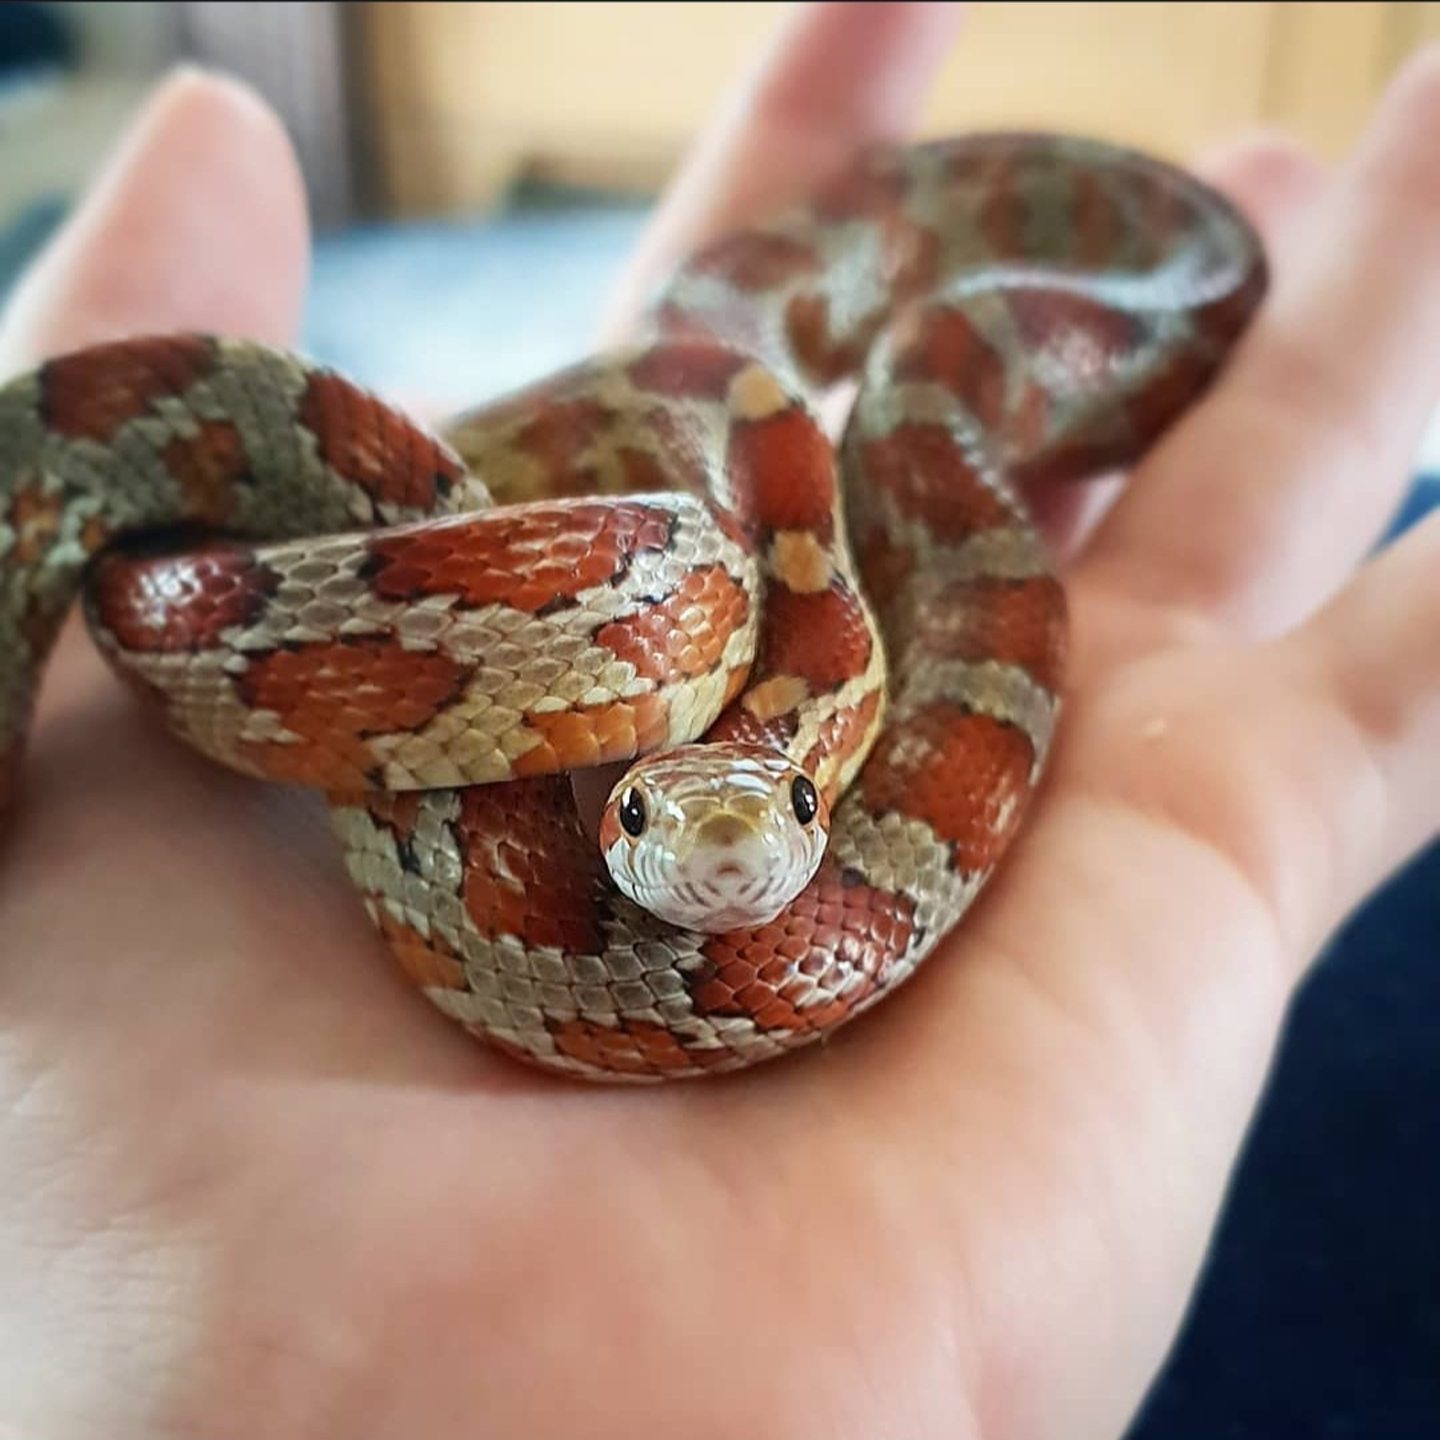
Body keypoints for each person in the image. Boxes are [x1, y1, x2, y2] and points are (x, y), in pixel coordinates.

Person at [0, 5, 1435, 1436]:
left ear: (826, 770)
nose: (722, 860)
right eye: (636, 812)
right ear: (613, 784)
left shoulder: (807, 641)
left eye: (783, 810)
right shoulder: (673, 587)